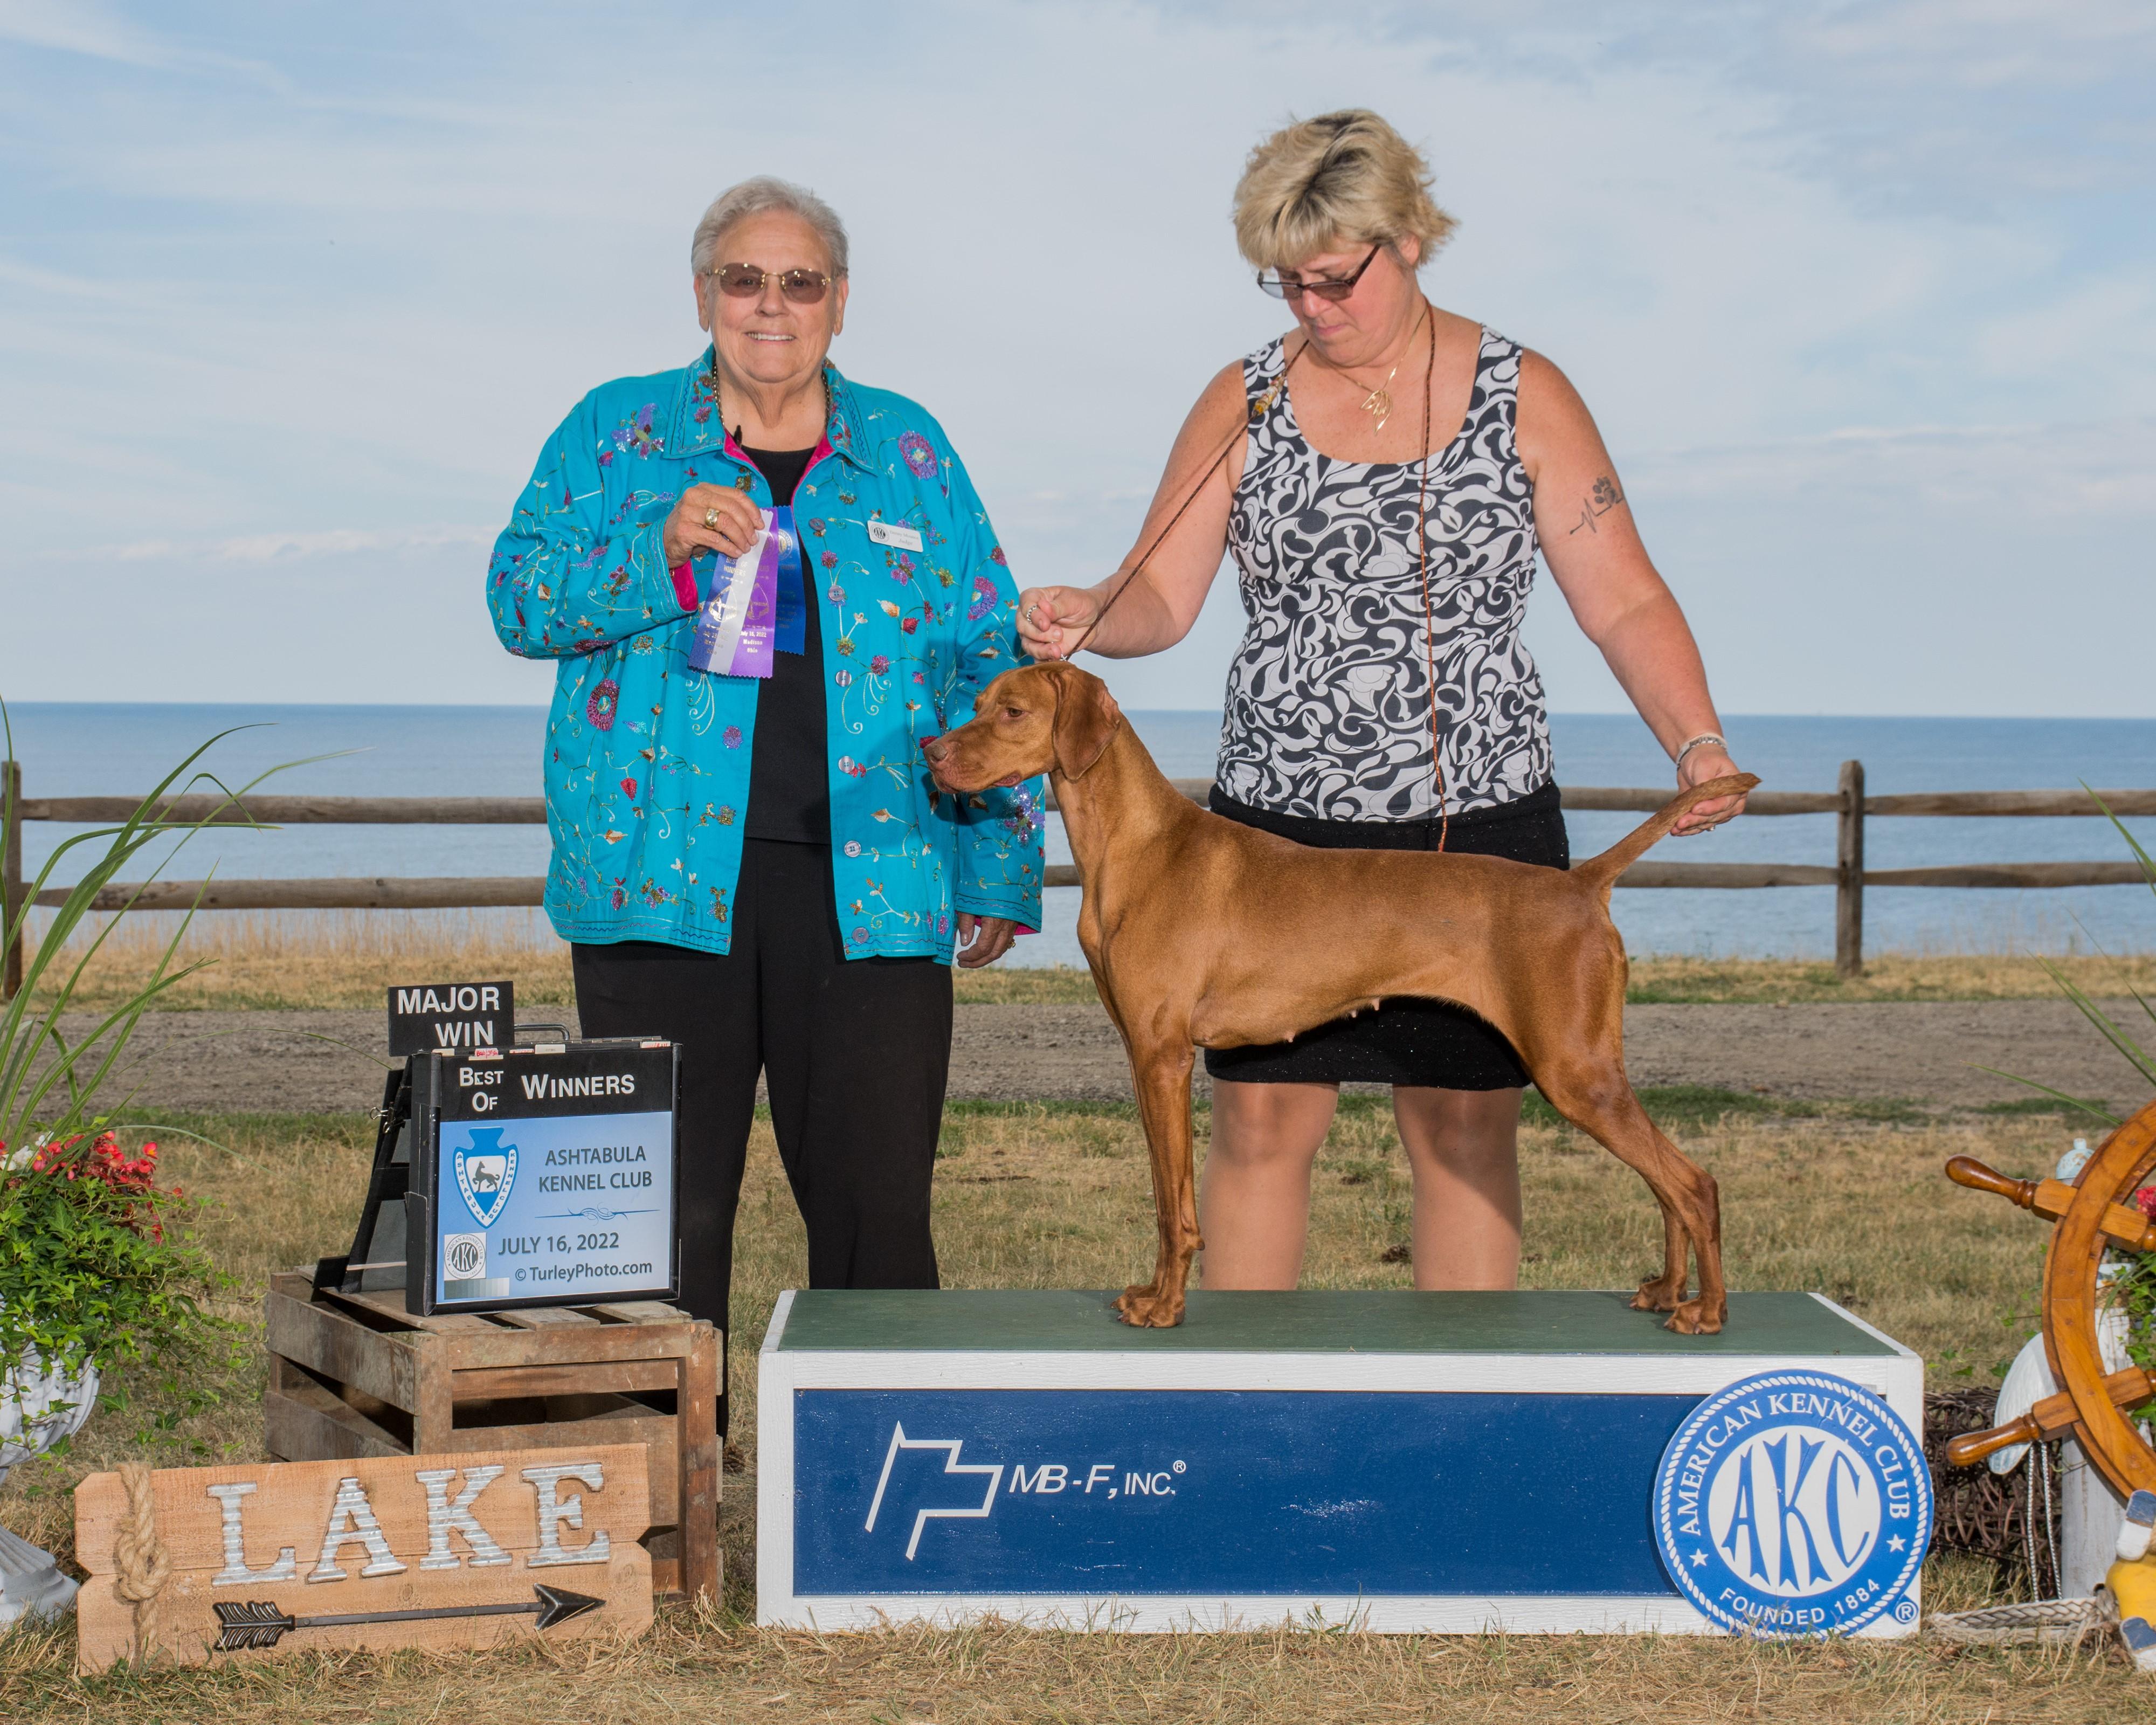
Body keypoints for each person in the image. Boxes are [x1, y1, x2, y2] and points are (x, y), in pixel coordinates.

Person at [1017, 110, 1746, 1296]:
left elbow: (1622, 597)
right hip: (1275, 831)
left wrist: (1695, 740)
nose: (1310, 308)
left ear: (1409, 239)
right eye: (1285, 283)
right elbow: (1161, 592)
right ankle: (1248, 1388)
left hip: (1475, 824)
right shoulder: (1243, 398)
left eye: (1334, 279)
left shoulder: (1523, 391)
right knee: (1262, 1124)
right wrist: (1093, 610)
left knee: (1461, 1126)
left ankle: (1459, 1395)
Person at [487, 176, 1041, 1428]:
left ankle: (881, 1477)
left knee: (876, 1206)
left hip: (874, 885)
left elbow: (988, 661)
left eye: (799, 282)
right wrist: (657, 546)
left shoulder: (909, 450)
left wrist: (998, 860)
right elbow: (517, 601)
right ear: (703, 295)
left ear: (839, 302)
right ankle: (653, 1487)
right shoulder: (615, 432)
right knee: (654, 1215)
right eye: (745, 279)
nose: (770, 304)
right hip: (655, 882)